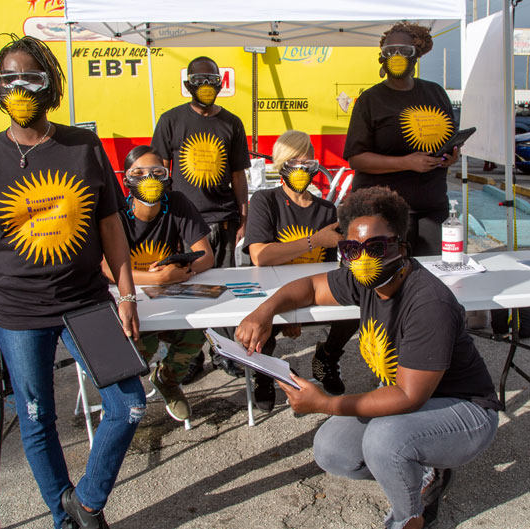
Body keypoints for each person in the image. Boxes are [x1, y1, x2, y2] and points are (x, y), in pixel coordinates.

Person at [0, 35, 142, 529]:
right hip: (15, 312)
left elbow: (112, 226)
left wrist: (127, 294)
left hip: (86, 303)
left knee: (130, 405)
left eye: (31, 77)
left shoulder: (83, 146)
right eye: (7, 79)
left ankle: (87, 503)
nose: (19, 88)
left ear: (50, 84)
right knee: (36, 420)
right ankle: (67, 519)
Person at [236, 187, 501, 529]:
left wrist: (324, 404)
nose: (362, 257)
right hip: (410, 405)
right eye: (350, 248)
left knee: (385, 439)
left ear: (402, 247)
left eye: (376, 247)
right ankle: (420, 467)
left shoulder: (427, 302)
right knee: (331, 450)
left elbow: (408, 396)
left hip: (466, 410)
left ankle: (409, 517)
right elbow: (310, 288)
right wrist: (265, 311)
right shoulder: (366, 279)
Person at [242, 130, 358, 411]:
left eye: (308, 164)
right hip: (272, 292)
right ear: (280, 165)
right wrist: (314, 240)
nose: (301, 171)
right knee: (260, 322)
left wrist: (301, 304)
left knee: (356, 299)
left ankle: (327, 357)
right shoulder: (265, 202)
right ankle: (265, 374)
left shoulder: (327, 209)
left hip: (310, 291)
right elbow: (260, 255)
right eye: (294, 164)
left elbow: (330, 268)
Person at [152, 55, 250, 380]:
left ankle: (224, 351)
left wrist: (244, 215)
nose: (206, 87)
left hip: (223, 219)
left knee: (223, 291)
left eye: (211, 80)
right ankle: (188, 356)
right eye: (199, 81)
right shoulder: (170, 120)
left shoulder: (232, 123)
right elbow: (160, 172)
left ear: (220, 84)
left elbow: (238, 174)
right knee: (185, 291)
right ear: (187, 85)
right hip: (183, 223)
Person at [101, 145, 214, 422]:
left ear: (167, 176)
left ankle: (167, 379)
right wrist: (157, 278)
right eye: (138, 172)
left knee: (194, 335)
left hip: (169, 297)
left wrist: (183, 270)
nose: (148, 178)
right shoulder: (115, 210)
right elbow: (106, 268)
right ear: (126, 180)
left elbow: (206, 256)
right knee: (141, 346)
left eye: (157, 172)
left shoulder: (176, 203)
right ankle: (123, 401)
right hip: (128, 300)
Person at [343, 21, 460, 256]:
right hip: (381, 212)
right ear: (382, 59)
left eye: (404, 51)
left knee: (434, 275)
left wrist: (451, 156)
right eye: (389, 51)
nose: (396, 56)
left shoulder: (436, 92)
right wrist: (407, 162)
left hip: (432, 207)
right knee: (386, 279)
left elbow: (450, 140)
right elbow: (356, 158)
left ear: (415, 56)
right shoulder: (370, 100)